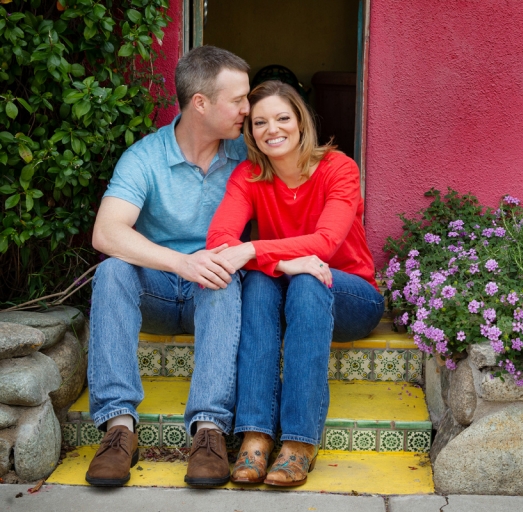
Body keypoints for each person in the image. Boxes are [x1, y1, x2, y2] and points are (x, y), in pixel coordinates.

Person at [86, 46, 251, 487]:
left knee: (221, 276)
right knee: (112, 271)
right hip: (158, 290)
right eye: (238, 100)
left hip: (212, 296)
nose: (247, 110)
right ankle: (118, 428)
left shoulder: (248, 153)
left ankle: (209, 432)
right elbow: (106, 232)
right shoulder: (145, 157)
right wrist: (181, 262)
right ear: (201, 103)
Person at [206, 80, 384, 487]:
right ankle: (256, 435)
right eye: (260, 122)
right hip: (290, 293)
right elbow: (219, 242)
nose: (272, 129)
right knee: (260, 284)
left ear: (301, 122)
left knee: (304, 280)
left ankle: (300, 441)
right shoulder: (249, 175)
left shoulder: (339, 168)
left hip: (352, 296)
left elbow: (326, 243)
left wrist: (254, 250)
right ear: (251, 132)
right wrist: (286, 261)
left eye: (283, 118)